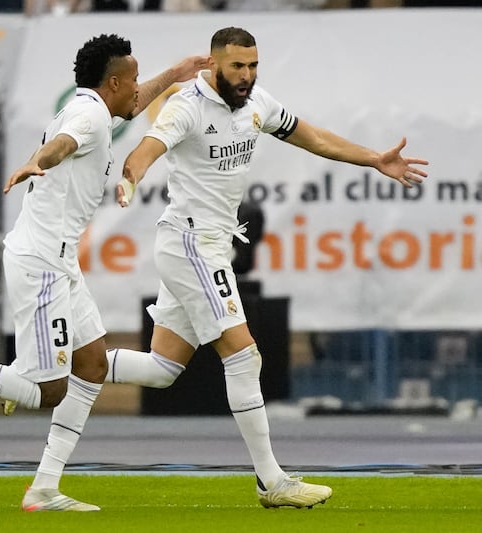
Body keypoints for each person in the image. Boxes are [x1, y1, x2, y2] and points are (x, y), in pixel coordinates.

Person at [0, 34, 207, 512]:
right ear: (113, 82)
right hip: (42, 263)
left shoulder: (95, 105)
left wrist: (176, 73)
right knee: (47, 389)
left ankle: (45, 488)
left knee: (91, 366)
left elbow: (127, 110)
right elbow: (63, 145)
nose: (139, 88)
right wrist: (39, 160)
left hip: (58, 260)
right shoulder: (89, 116)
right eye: (134, 79)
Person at [110, 26, 428, 508]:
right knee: (244, 355)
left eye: (253, 65)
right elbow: (146, 149)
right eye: (238, 66)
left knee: (161, 369)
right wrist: (131, 177)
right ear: (213, 64)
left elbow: (311, 135)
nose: (247, 75)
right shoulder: (187, 106)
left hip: (209, 246)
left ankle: (65, 367)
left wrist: (373, 159)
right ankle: (271, 481)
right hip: (190, 244)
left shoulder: (257, 102)